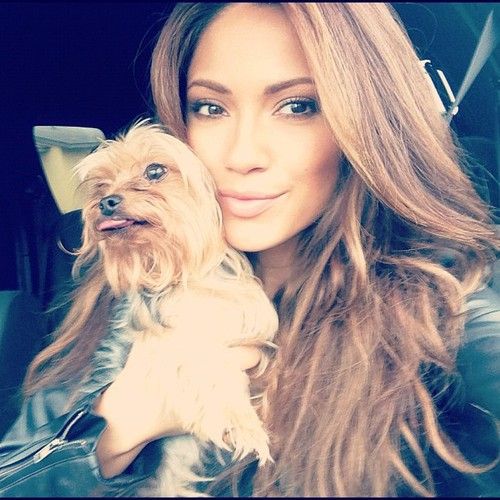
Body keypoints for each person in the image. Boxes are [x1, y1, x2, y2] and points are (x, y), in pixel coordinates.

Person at [1, 2, 499, 497]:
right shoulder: (121, 294)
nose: (241, 156)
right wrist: (121, 420)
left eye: (298, 106)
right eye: (210, 108)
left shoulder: (447, 318)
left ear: (367, 126)